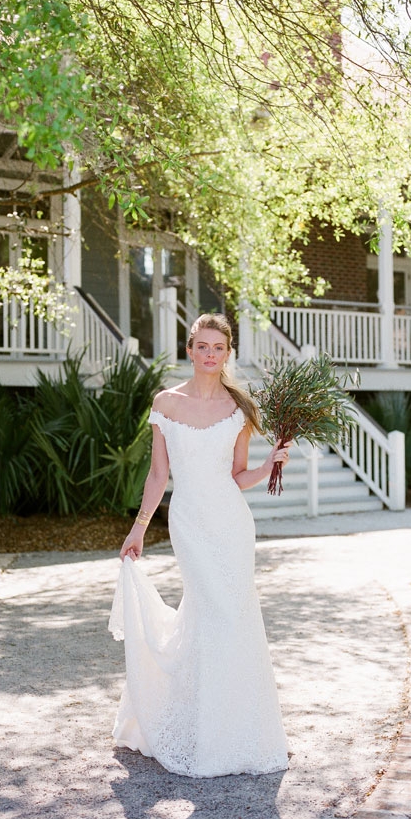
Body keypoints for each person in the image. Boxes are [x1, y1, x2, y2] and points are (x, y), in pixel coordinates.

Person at [111, 312, 291, 778]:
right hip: (189, 524)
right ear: (189, 349)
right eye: (202, 346)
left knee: (232, 620)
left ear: (228, 353)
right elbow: (158, 475)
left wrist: (271, 462)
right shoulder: (165, 404)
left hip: (232, 525)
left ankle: (232, 729)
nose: (210, 355)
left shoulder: (240, 408)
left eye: (219, 348)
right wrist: (139, 528)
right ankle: (195, 726)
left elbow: (238, 477)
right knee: (210, 611)